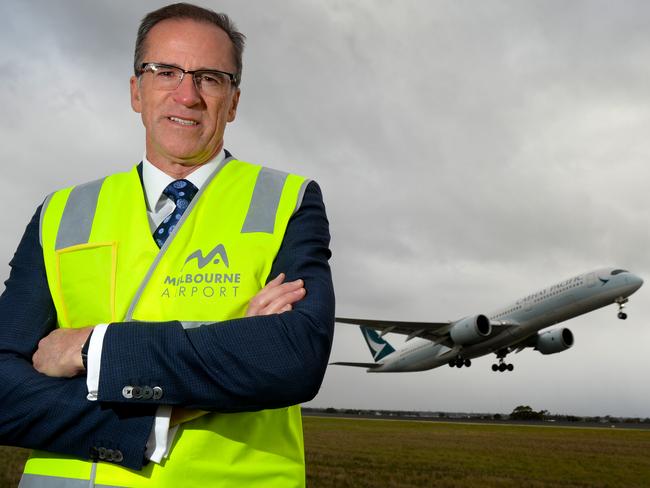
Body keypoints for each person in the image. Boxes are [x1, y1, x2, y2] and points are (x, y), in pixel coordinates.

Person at [0, 3, 334, 487]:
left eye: (210, 78)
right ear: (137, 90)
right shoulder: (61, 211)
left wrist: (96, 350)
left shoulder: (285, 200)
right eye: (165, 72)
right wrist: (161, 415)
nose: (187, 95)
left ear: (234, 101)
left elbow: (292, 358)